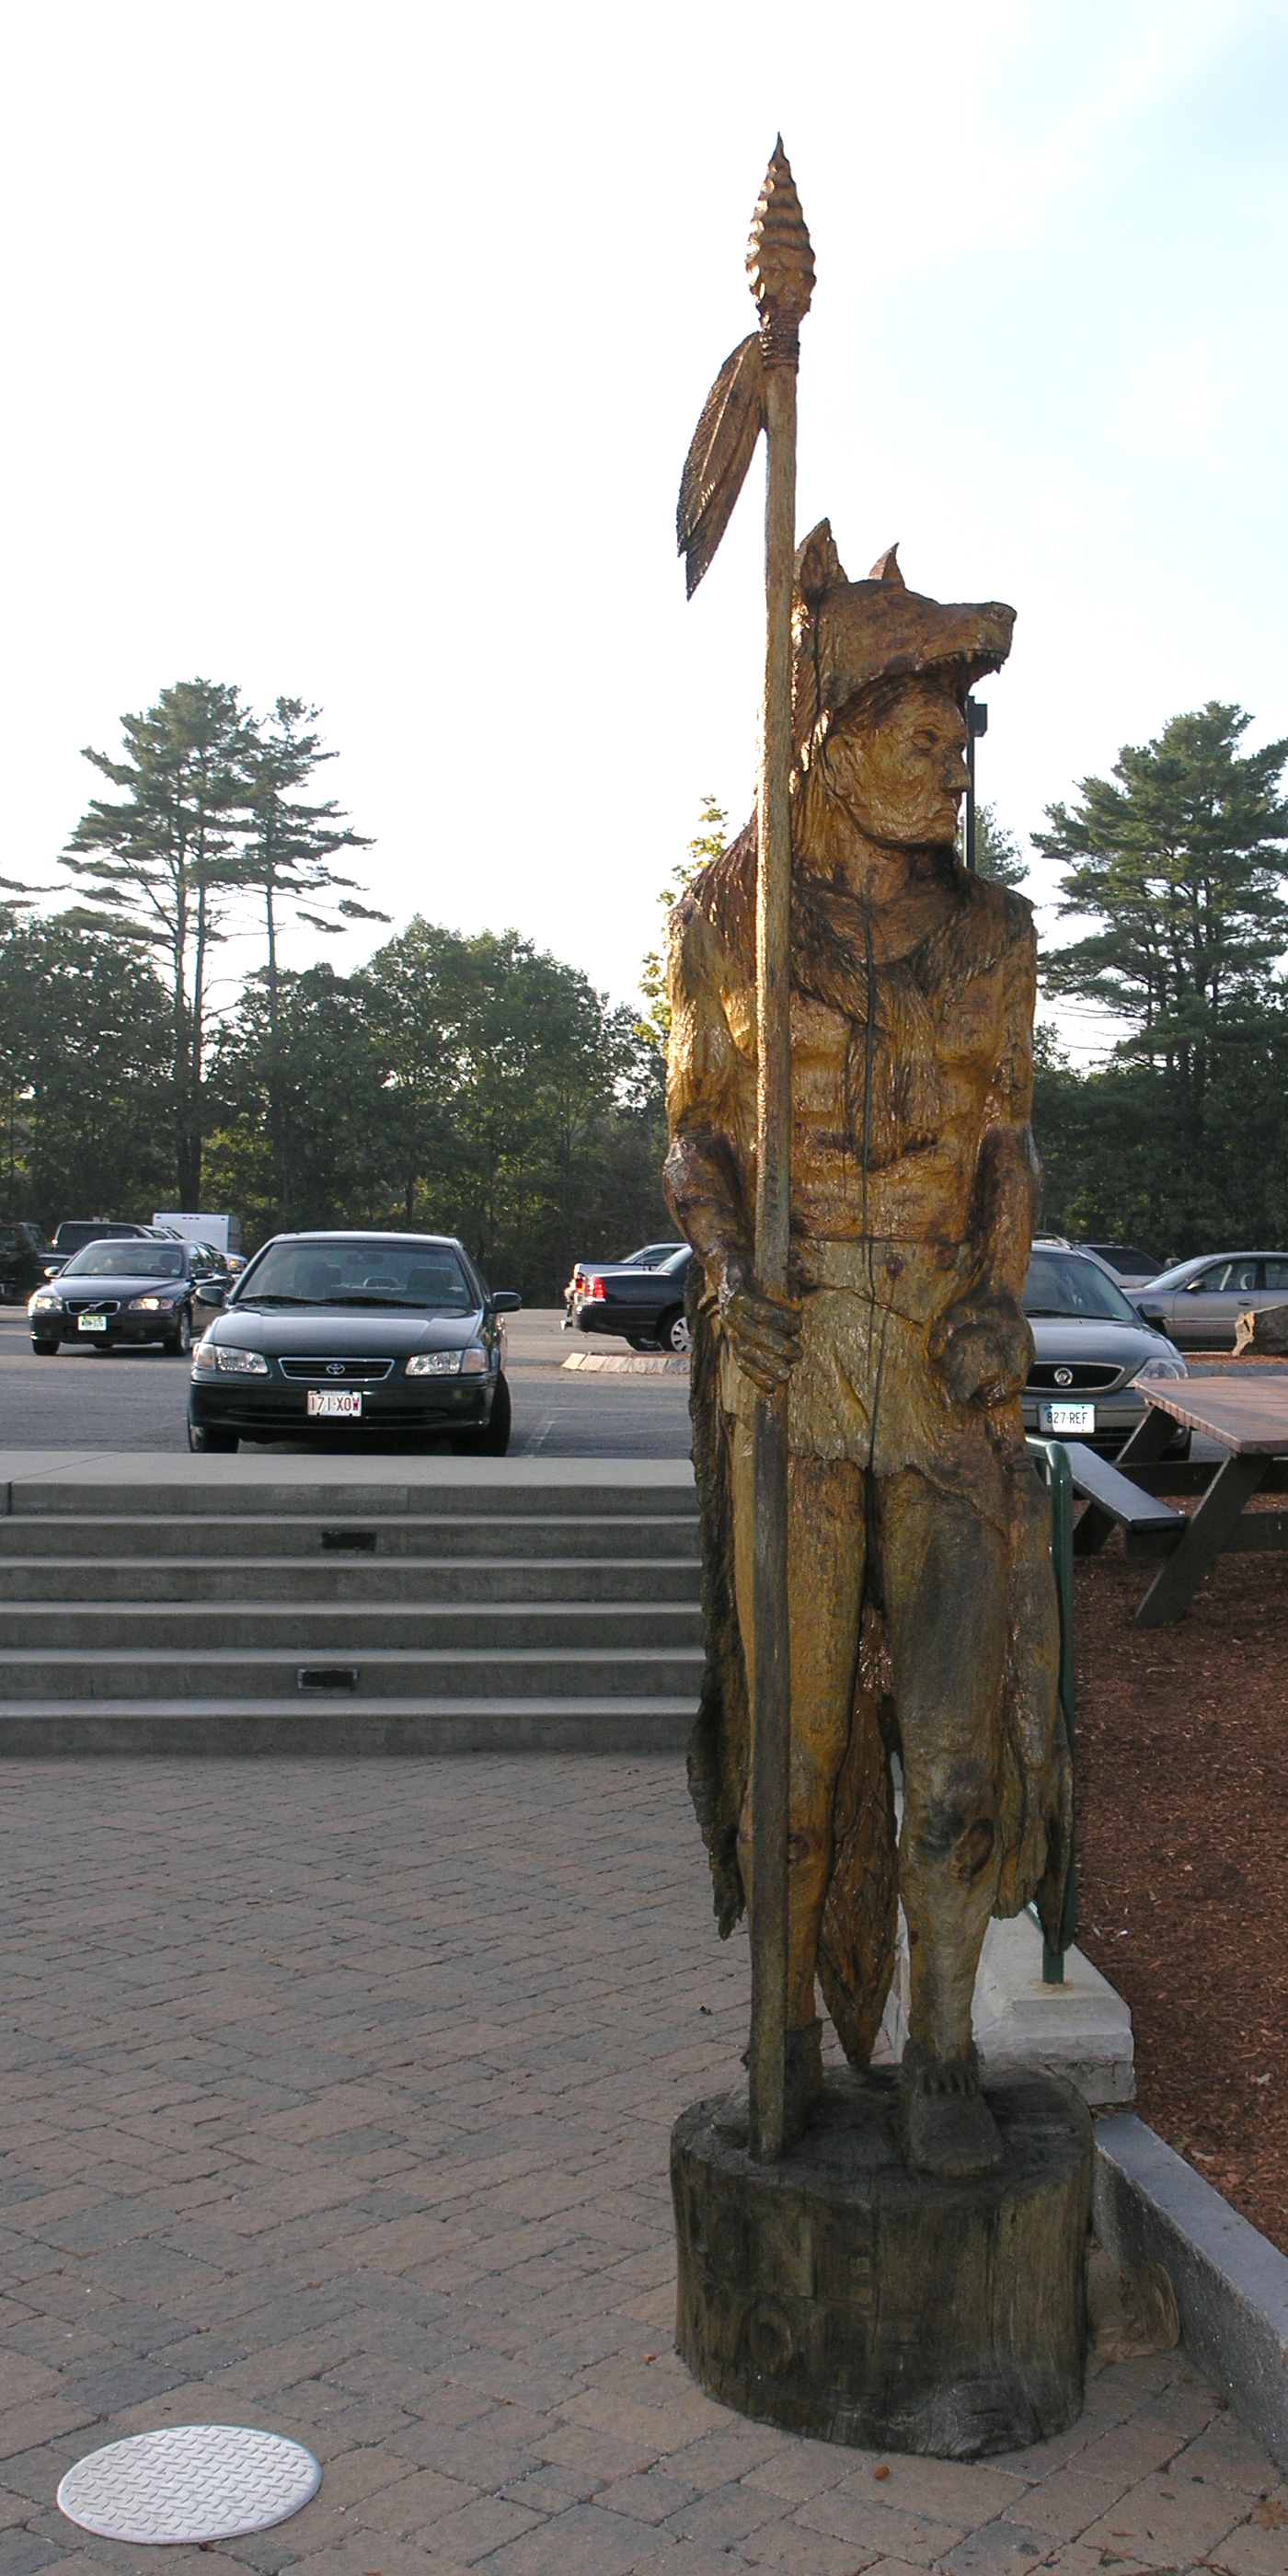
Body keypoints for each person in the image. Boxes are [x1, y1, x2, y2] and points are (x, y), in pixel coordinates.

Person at [662, 526, 1069, 2179]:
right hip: (798, 1365)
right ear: (827, 737)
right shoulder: (731, 919)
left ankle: (946, 2050)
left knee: (955, 1751)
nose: (953, 756)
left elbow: (1008, 1144)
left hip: (945, 1375)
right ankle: (779, 2035)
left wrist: (1001, 1293)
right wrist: (722, 1269)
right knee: (799, 1746)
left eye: (964, 730)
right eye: (919, 726)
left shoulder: (997, 936)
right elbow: (695, 1135)